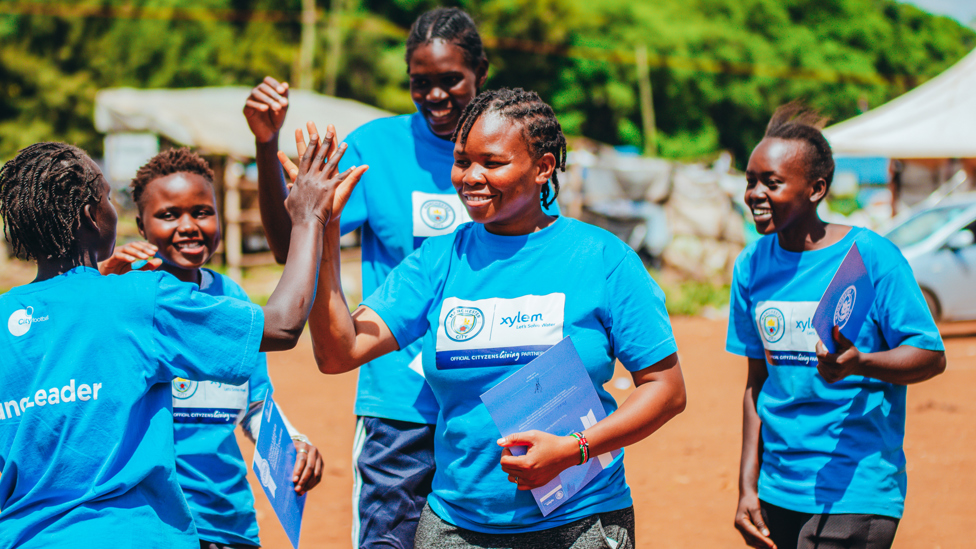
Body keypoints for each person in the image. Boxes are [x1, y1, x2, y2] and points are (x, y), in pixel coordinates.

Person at [281, 88, 686, 547]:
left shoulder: (602, 258)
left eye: (491, 163)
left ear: (543, 168)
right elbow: (339, 352)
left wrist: (575, 450)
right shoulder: (439, 259)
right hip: (457, 526)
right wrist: (325, 230)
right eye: (462, 161)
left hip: (579, 522)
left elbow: (666, 391)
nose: (470, 177)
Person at [245, 8, 552, 547]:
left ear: (481, 69)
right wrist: (266, 146)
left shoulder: (515, 154)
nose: (435, 96)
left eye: (450, 80)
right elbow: (286, 244)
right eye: (420, 83)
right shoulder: (376, 149)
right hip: (400, 402)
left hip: (497, 401)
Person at [0, 140, 361, 548]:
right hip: (134, 535)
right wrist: (308, 215)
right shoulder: (137, 298)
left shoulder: (6, 317)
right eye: (107, 197)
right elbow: (282, 326)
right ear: (91, 215)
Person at [726, 104, 947, 549]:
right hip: (778, 489)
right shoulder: (752, 265)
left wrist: (861, 363)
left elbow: (930, 355)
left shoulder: (869, 257)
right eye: (750, 180)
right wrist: (748, 486)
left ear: (816, 189)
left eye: (772, 182)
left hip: (854, 487)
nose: (754, 193)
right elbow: (756, 384)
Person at [98, 148, 326, 549]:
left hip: (228, 519)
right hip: (153, 523)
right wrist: (99, 287)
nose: (188, 226)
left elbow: (254, 405)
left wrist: (294, 445)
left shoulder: (233, 300)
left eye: (202, 211)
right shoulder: (123, 295)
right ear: (140, 225)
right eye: (169, 215)